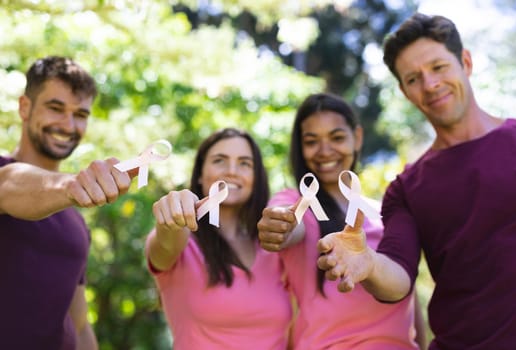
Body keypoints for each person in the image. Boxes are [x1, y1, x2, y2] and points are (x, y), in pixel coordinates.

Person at [317, 12, 516, 349]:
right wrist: (368, 263)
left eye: (438, 67)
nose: (430, 84)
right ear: (403, 90)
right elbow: (398, 276)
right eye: (413, 78)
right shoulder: (407, 188)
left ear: (465, 62)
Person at [257, 92, 426, 349]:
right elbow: (289, 220)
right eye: (312, 141)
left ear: (357, 137)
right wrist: (281, 224)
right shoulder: (299, 201)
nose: (325, 151)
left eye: (337, 137)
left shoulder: (386, 213)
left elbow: (408, 295)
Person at [0, 56, 135, 349]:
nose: (68, 124)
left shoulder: (75, 221)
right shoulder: (4, 174)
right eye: (55, 108)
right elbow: (10, 182)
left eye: (80, 114)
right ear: (25, 107)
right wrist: (72, 185)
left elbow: (79, 323)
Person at [145, 127, 292, 349]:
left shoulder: (275, 248)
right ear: (201, 174)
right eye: (219, 160)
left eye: (245, 163)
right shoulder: (184, 244)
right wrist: (172, 217)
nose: (232, 171)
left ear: (256, 178)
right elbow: (166, 242)